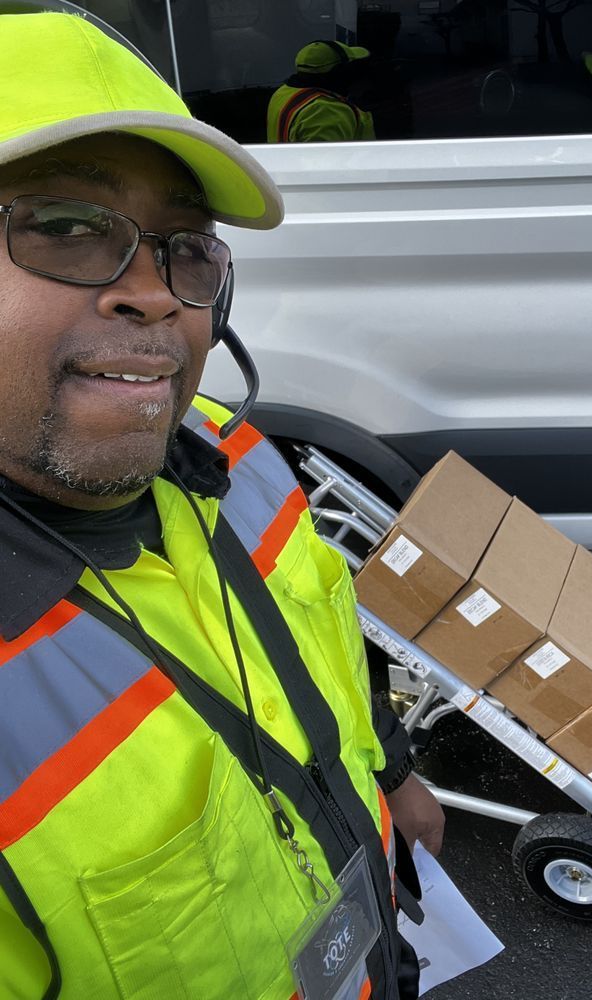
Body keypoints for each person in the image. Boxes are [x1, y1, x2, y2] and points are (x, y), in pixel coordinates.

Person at [0, 9, 444, 999]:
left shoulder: (227, 449)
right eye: (66, 226)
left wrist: (391, 775)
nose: (156, 292)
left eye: (186, 248)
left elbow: (320, 634)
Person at [267, 40, 376, 143]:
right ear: (339, 73)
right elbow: (324, 161)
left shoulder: (284, 92)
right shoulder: (327, 111)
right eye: (351, 68)